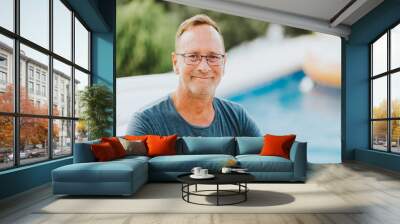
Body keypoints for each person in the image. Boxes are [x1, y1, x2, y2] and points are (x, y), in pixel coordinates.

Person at [126, 14, 261, 137]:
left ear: (224, 62)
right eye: (192, 56)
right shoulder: (145, 124)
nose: (203, 67)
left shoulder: (238, 118)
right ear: (175, 63)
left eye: (213, 56)